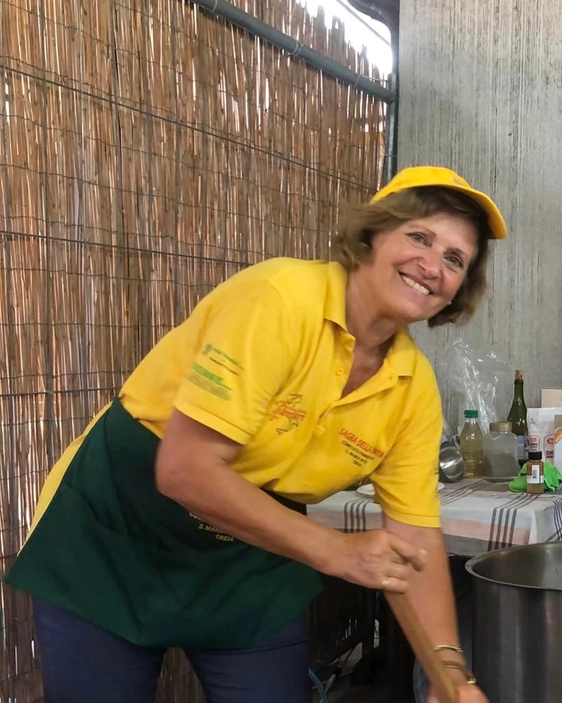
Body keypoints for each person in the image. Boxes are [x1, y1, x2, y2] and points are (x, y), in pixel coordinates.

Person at [4, 166, 499, 703]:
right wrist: (335, 551)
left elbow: (414, 542)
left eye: (455, 259)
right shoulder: (281, 298)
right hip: (116, 527)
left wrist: (450, 675)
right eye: (419, 237)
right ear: (372, 236)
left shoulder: (411, 388)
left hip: (251, 546)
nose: (432, 265)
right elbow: (185, 470)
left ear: (458, 290)